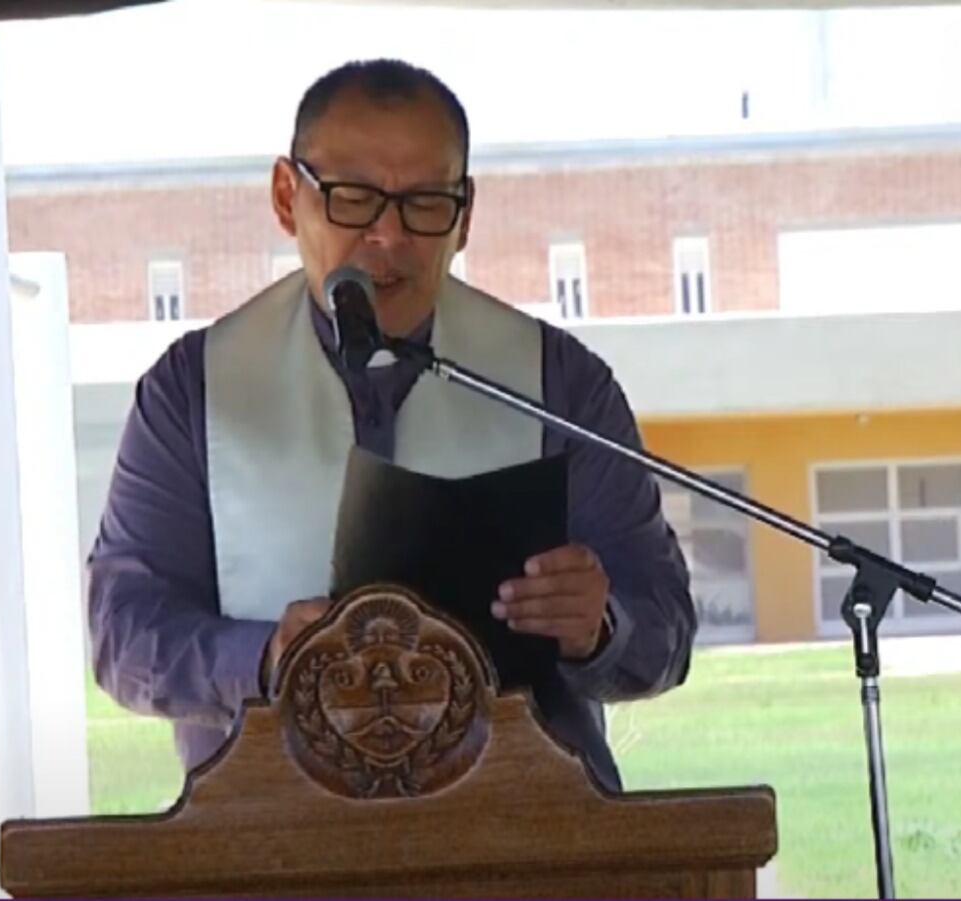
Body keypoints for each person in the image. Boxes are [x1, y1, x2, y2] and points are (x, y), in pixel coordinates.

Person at [86, 58, 695, 792]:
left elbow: (664, 629)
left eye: (425, 202)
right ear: (287, 197)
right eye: (353, 198)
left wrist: (600, 626)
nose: (388, 235)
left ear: (465, 213)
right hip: (272, 839)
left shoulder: (558, 383)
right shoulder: (193, 390)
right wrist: (264, 657)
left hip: (528, 834)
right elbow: (124, 631)